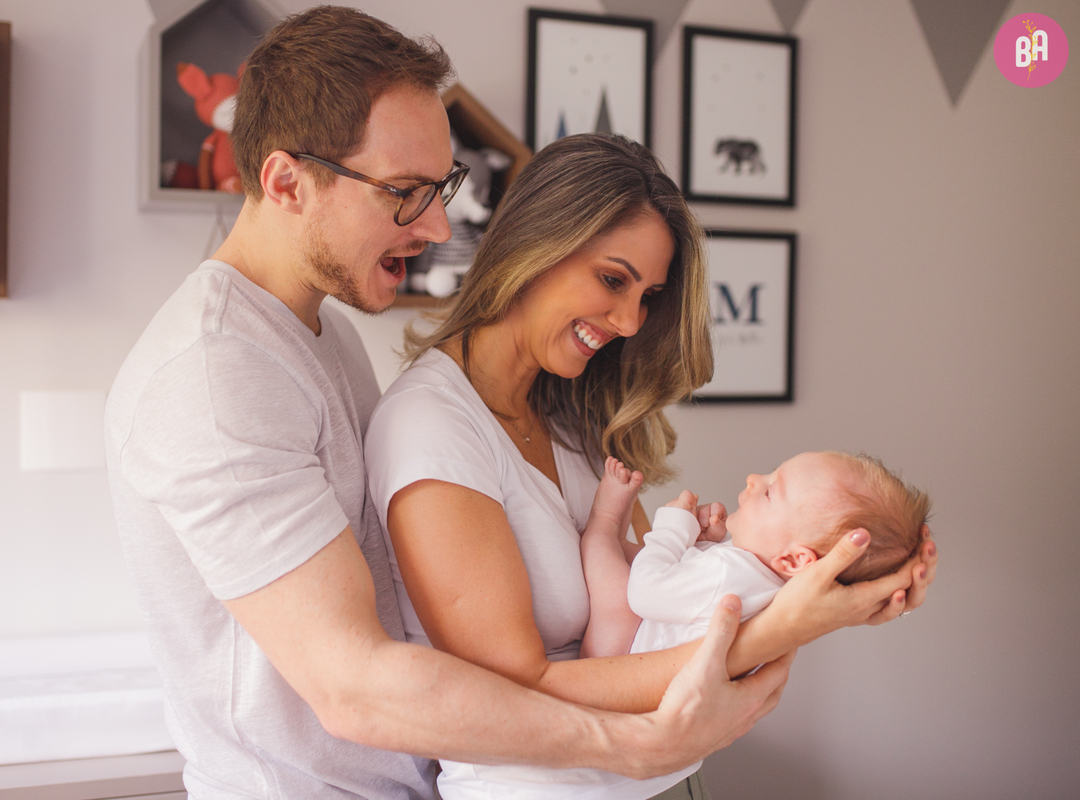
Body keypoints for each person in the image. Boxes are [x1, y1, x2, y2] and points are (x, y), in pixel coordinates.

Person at [106, 7, 936, 799]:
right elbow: (353, 686)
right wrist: (662, 722)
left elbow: (629, 617)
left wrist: (808, 581)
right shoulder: (217, 378)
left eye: (442, 187)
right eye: (404, 191)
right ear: (287, 182)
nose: (438, 229)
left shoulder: (325, 337)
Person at [364, 133, 938, 800]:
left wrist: (841, 585)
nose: (632, 322)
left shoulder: (574, 414)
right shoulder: (431, 428)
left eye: (648, 295)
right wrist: (778, 630)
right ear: (534, 245)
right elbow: (515, 690)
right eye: (613, 280)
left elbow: (656, 613)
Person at [421, 451, 929, 798]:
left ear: (796, 559)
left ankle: (604, 518)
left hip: (618, 662)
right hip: (654, 728)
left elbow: (650, 591)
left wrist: (674, 527)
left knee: (611, 570)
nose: (755, 480)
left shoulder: (732, 572)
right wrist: (704, 545)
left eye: (772, 492)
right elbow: (697, 598)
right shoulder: (772, 586)